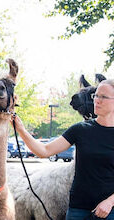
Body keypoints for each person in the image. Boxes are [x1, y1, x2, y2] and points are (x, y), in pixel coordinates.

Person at [11, 79, 114, 220]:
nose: (97, 100)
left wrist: (110, 202)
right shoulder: (80, 130)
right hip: (78, 210)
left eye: (103, 97)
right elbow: (44, 151)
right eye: (96, 95)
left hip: (110, 211)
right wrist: (21, 130)